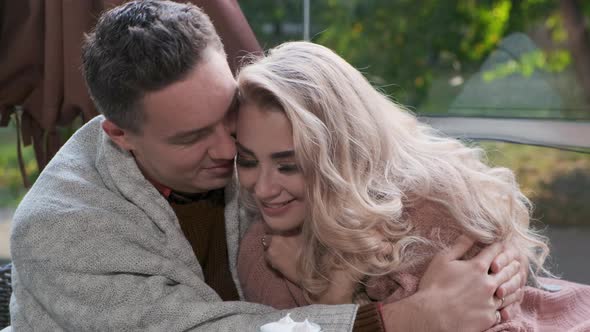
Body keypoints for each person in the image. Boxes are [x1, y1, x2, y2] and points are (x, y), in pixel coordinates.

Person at [7, 1, 525, 331]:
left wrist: (499, 261)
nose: (230, 151)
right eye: (192, 138)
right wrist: (406, 320)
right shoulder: (62, 229)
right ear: (117, 133)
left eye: (226, 114)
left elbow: (388, 163)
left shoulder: (252, 147)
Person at [235, 41, 590, 331]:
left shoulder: (429, 204)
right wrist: (335, 292)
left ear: (341, 155)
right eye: (248, 161)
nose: (263, 189)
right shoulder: (260, 254)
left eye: (288, 165)